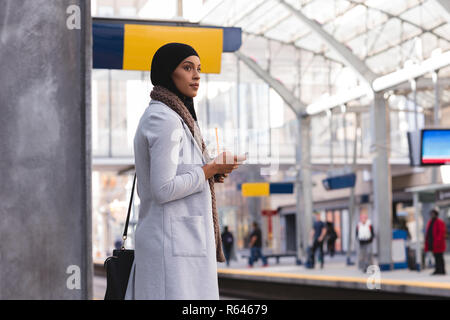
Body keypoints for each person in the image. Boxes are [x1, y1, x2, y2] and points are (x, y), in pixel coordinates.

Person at [124, 43, 246, 300]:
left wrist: (210, 172)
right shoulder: (164, 119)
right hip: (170, 248)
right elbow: (163, 189)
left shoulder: (174, 116)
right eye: (187, 67)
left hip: (177, 245)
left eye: (199, 68)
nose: (196, 75)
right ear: (169, 72)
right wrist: (210, 168)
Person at [424, 209, 446, 275]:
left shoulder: (439, 222)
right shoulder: (430, 222)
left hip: (438, 243)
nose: (431, 215)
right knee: (436, 257)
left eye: (433, 214)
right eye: (431, 214)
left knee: (440, 257)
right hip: (432, 243)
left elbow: (441, 233)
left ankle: (442, 270)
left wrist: (438, 241)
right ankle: (437, 269)